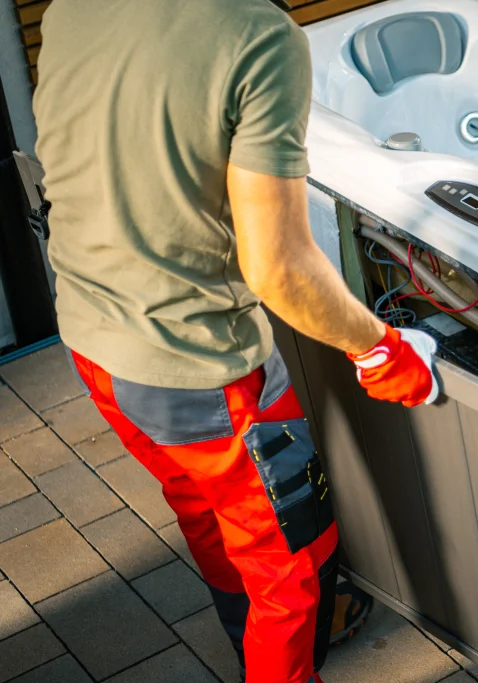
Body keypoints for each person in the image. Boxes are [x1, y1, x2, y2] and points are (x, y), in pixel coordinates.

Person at [32, 1, 439, 682]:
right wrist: (382, 349)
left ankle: (242, 635)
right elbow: (279, 268)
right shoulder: (256, 37)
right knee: (290, 561)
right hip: (198, 367)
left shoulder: (71, 6)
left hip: (92, 338)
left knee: (202, 506)